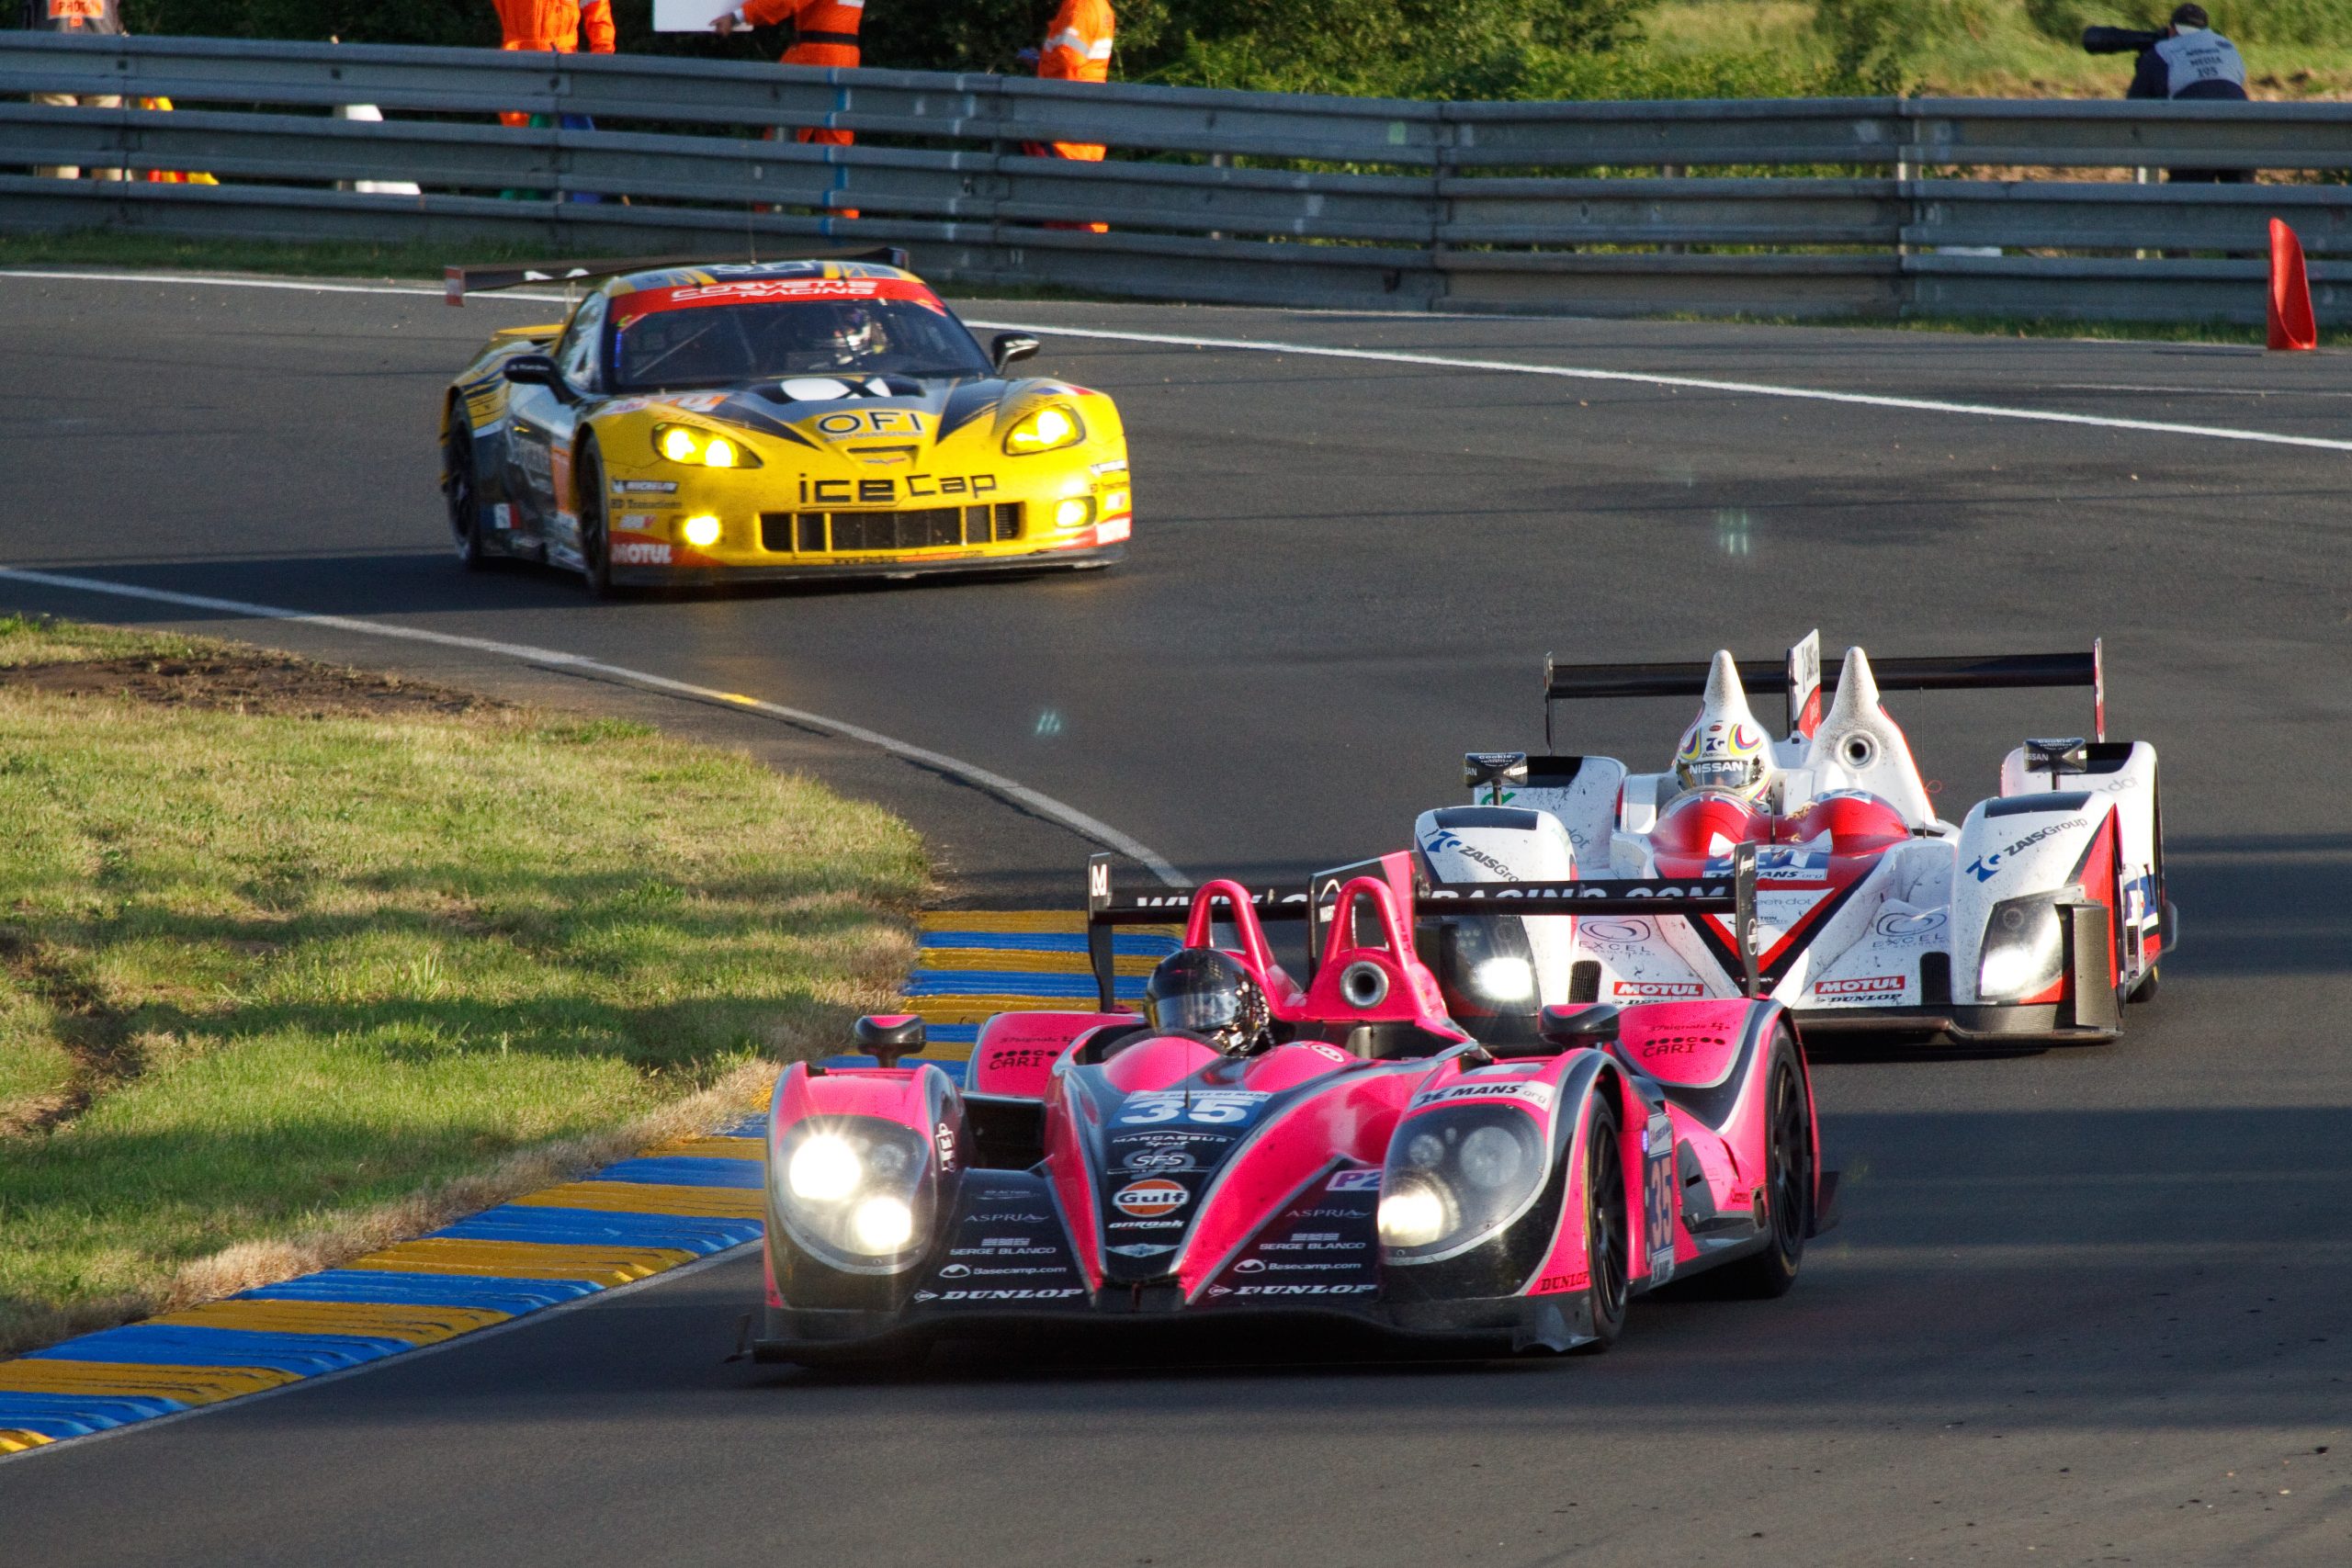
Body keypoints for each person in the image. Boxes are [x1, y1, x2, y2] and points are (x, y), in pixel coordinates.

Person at [711, 0, 863, 148]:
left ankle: (775, 172)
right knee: (836, 139)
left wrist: (738, 16)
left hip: (816, 54)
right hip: (846, 55)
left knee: (785, 133)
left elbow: (786, 2)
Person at [2129, 4, 2250, 184]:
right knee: (2243, 202)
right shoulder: (2227, 45)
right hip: (2242, 130)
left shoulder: (2163, 51)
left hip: (2195, 133)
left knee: (2189, 201)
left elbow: (2133, 104)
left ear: (2172, 31)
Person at [19, 0, 124, 181]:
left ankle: (61, 204)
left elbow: (29, 16)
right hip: (103, 58)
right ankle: (109, 206)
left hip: (53, 57)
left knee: (59, 150)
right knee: (107, 148)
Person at [492, 0, 615, 130]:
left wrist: (602, 54)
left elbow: (598, 14)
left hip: (561, 63)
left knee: (569, 136)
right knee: (522, 136)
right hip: (522, 62)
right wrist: (602, 54)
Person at [1141, 949, 1272, 1056]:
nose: (1191, 1023)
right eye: (1177, 1017)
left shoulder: (1278, 1051)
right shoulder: (1151, 1051)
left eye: (1204, 1016)